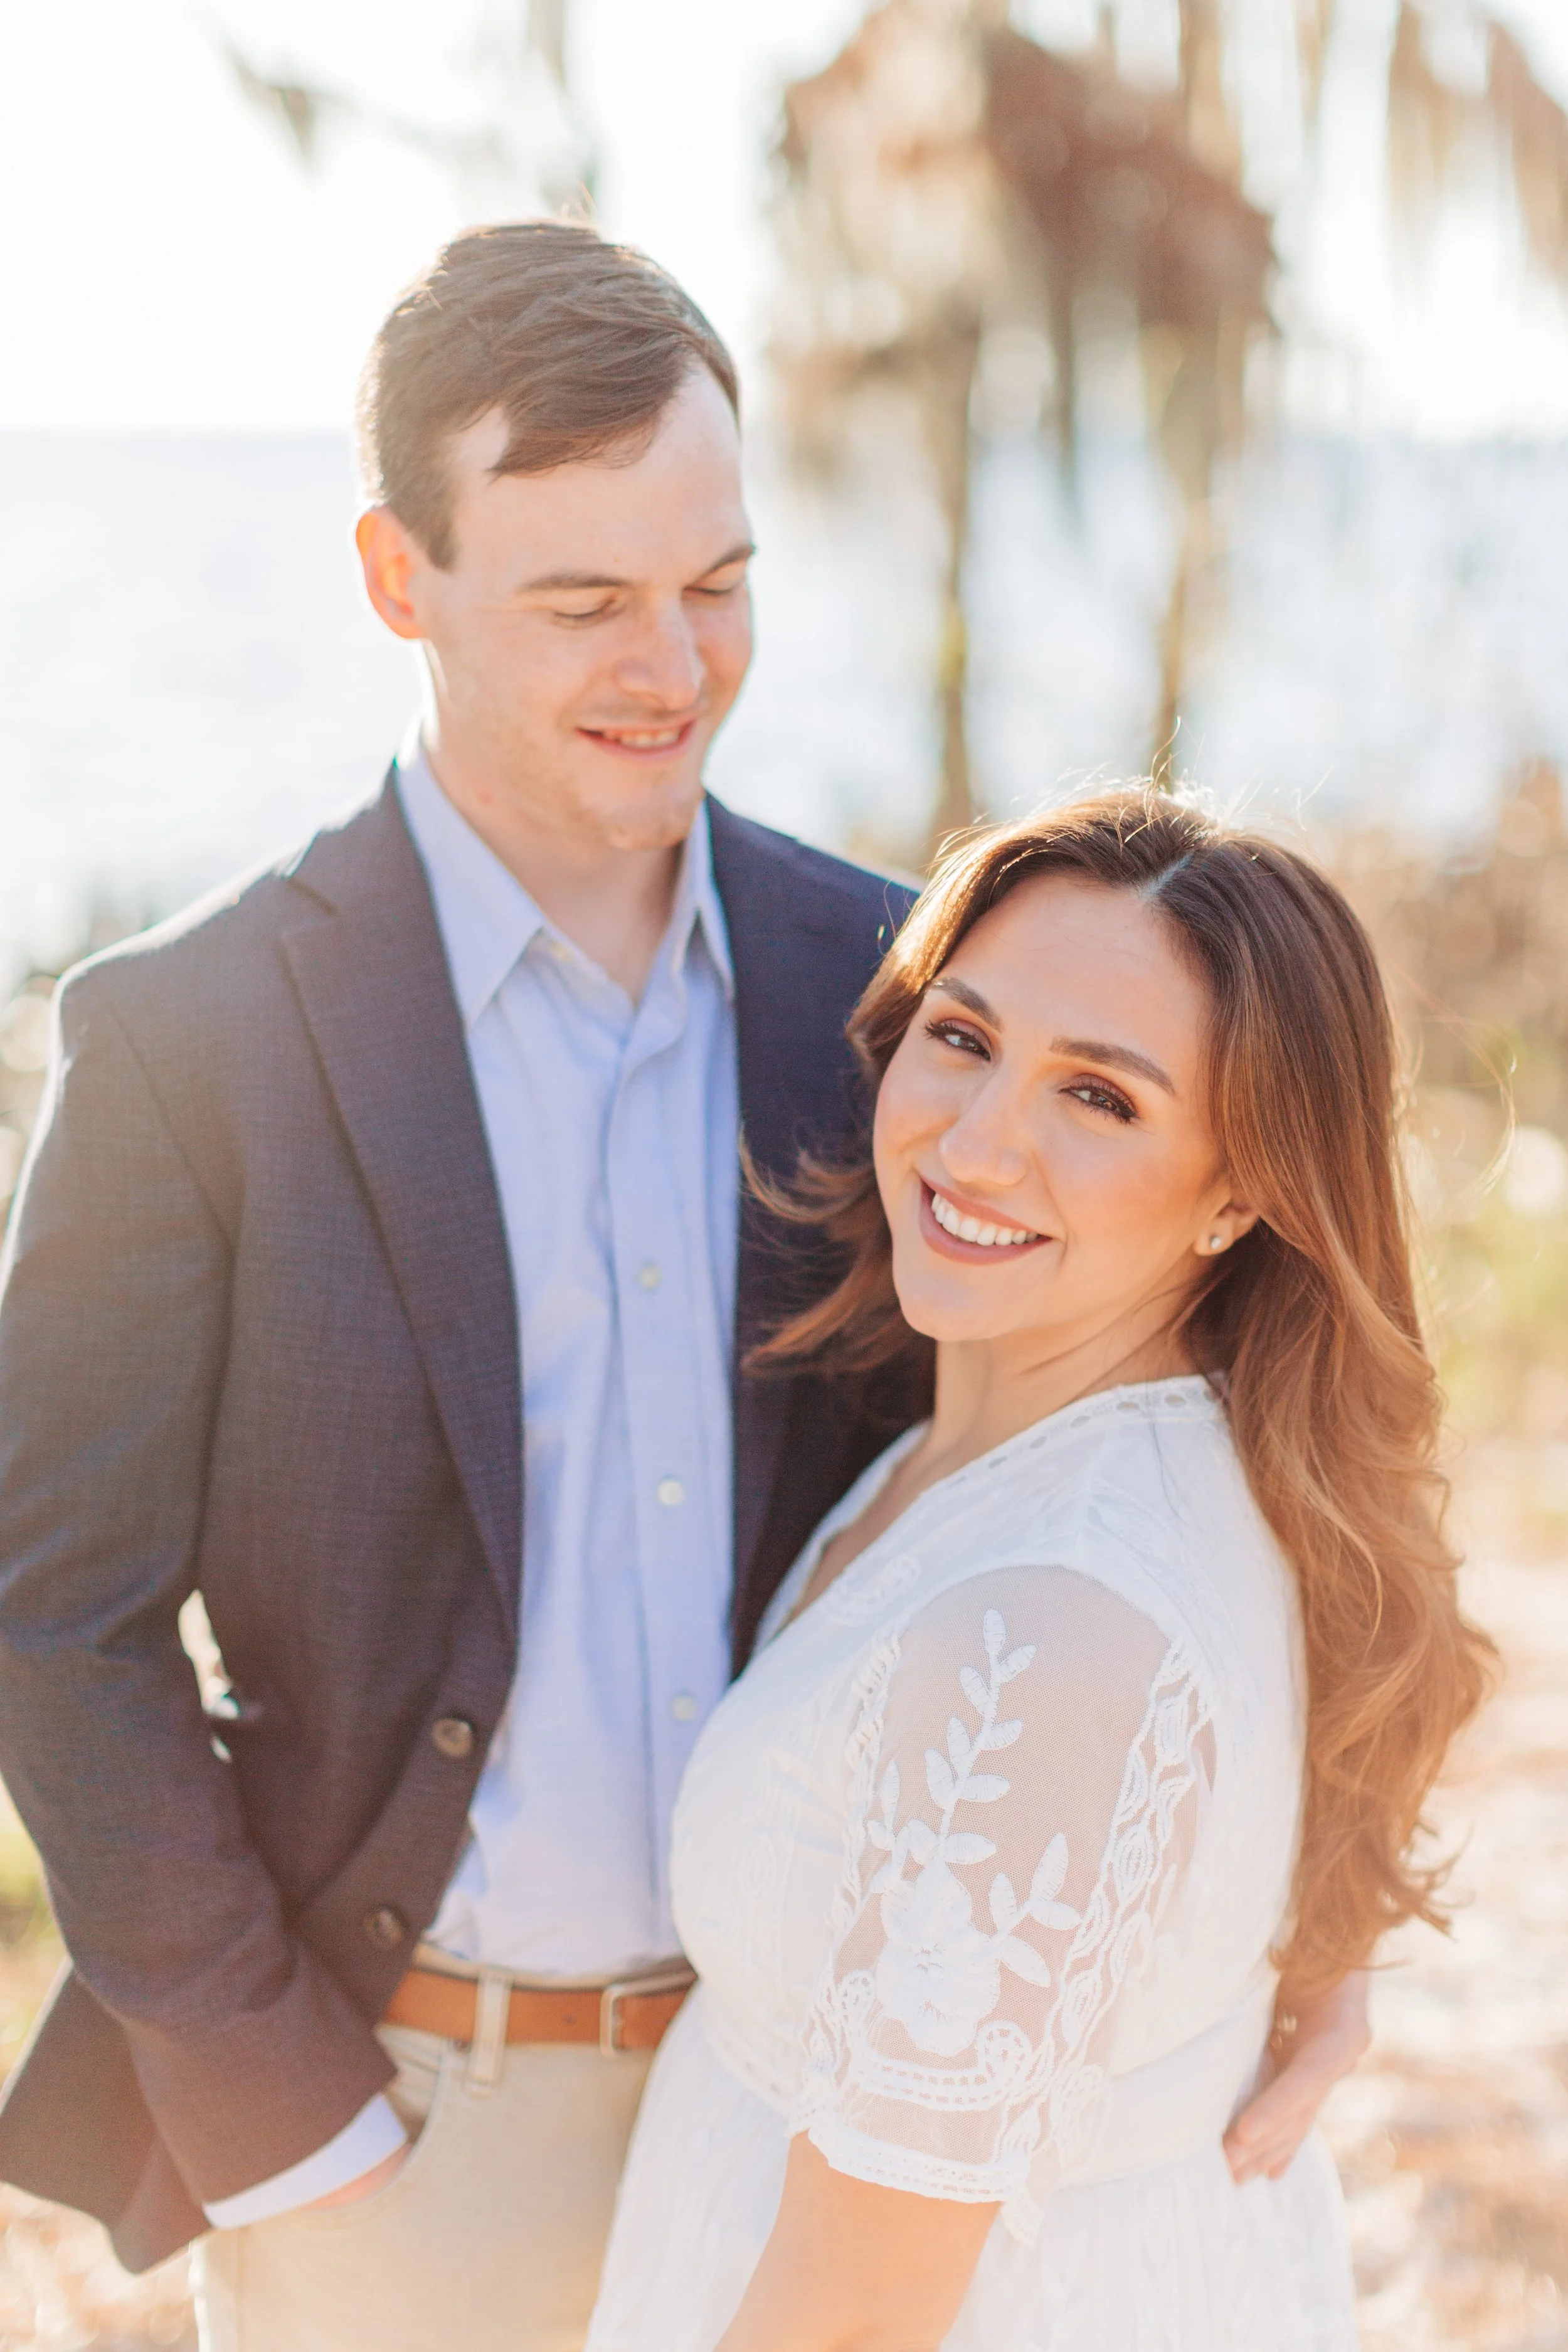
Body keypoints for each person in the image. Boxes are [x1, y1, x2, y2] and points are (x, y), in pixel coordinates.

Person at [0, 223, 1365, 2352]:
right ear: (397, 581)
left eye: (720, 584)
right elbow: (55, 1612)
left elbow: (1245, 1421)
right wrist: (283, 2120)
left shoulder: (896, 999)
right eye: (584, 604)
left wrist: (1326, 1919)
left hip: (854, 2096)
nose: (677, 663)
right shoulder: (191, 1042)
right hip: (404, 2125)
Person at [584, 790, 1493, 2352]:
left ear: (1241, 1192)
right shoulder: (1049, 1450)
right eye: (962, 1036)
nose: (977, 1142)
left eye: (1101, 1098)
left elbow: (851, 2317)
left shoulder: (1042, 1630)